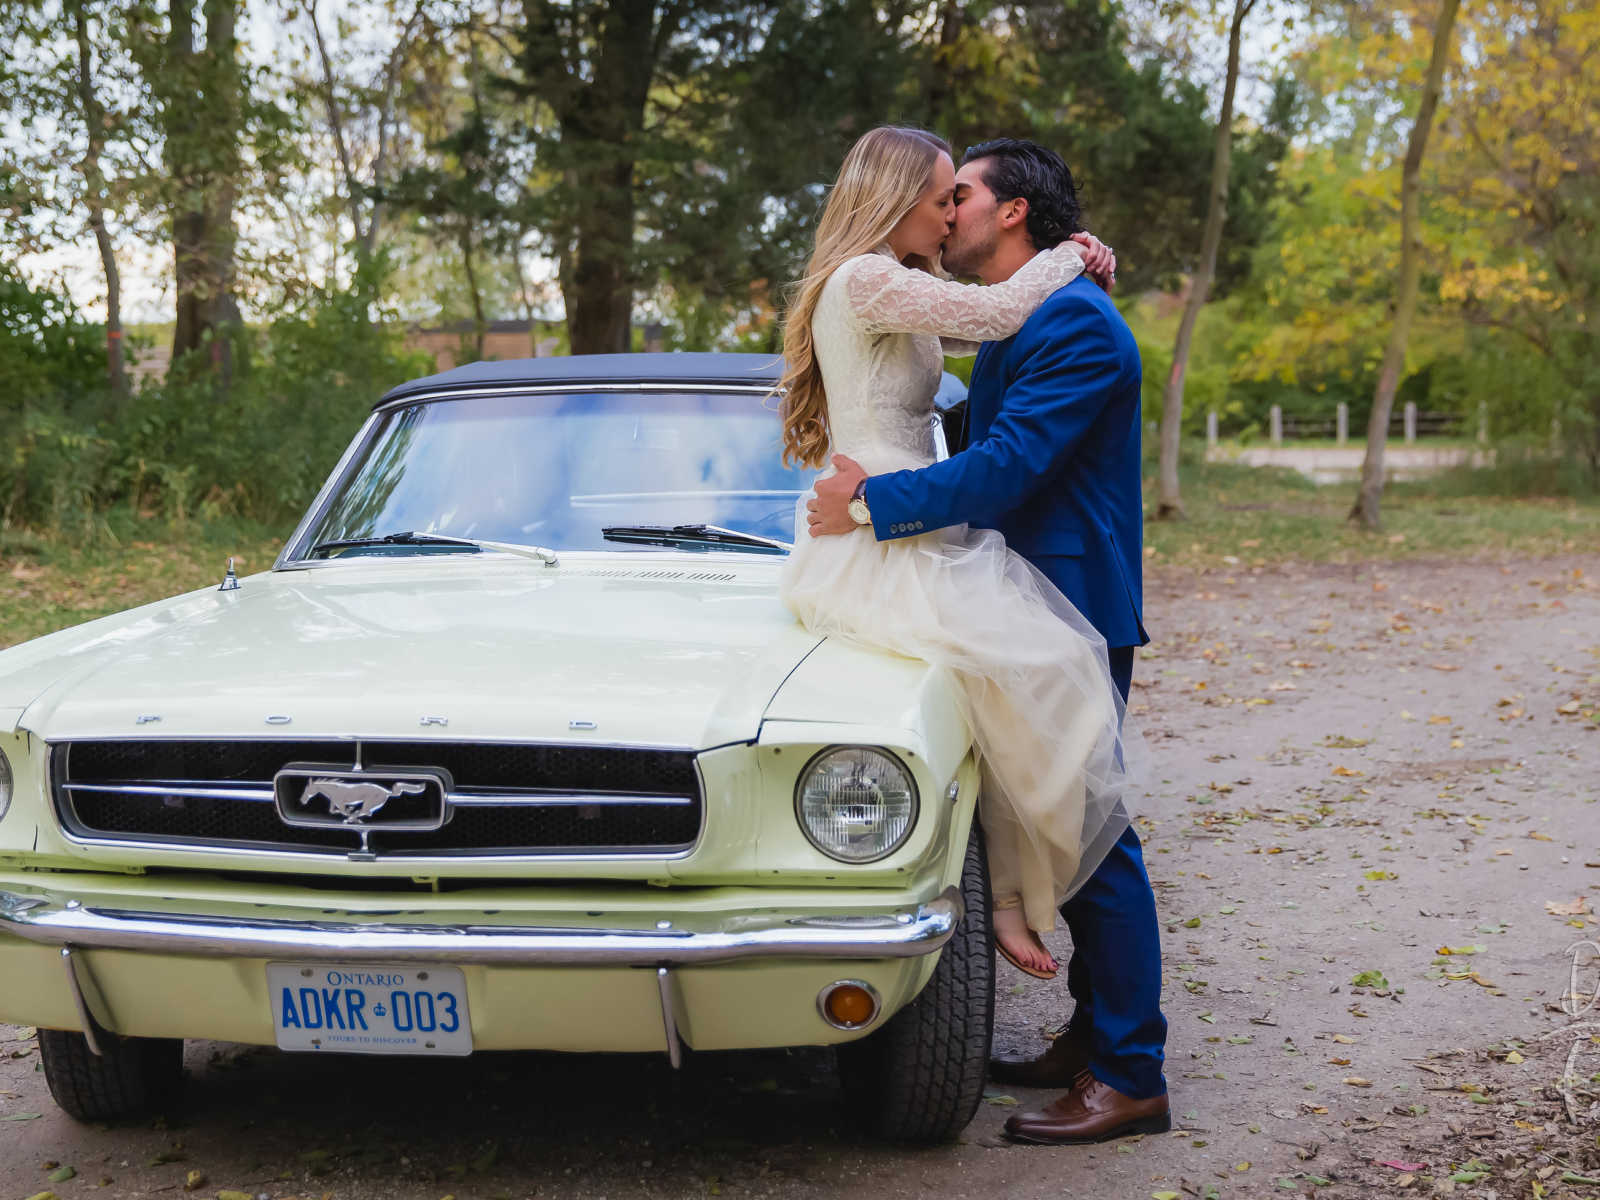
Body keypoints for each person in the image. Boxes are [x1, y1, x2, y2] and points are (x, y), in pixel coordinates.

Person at [802, 134, 1169, 1145]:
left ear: (1011, 212)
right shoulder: (1014, 322)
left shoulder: (1078, 327)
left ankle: (1132, 1071)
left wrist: (873, 502)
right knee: (1051, 818)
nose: (947, 210)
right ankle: (1092, 1039)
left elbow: (1003, 471)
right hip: (996, 592)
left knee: (1093, 833)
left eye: (959, 194)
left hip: (1068, 601)